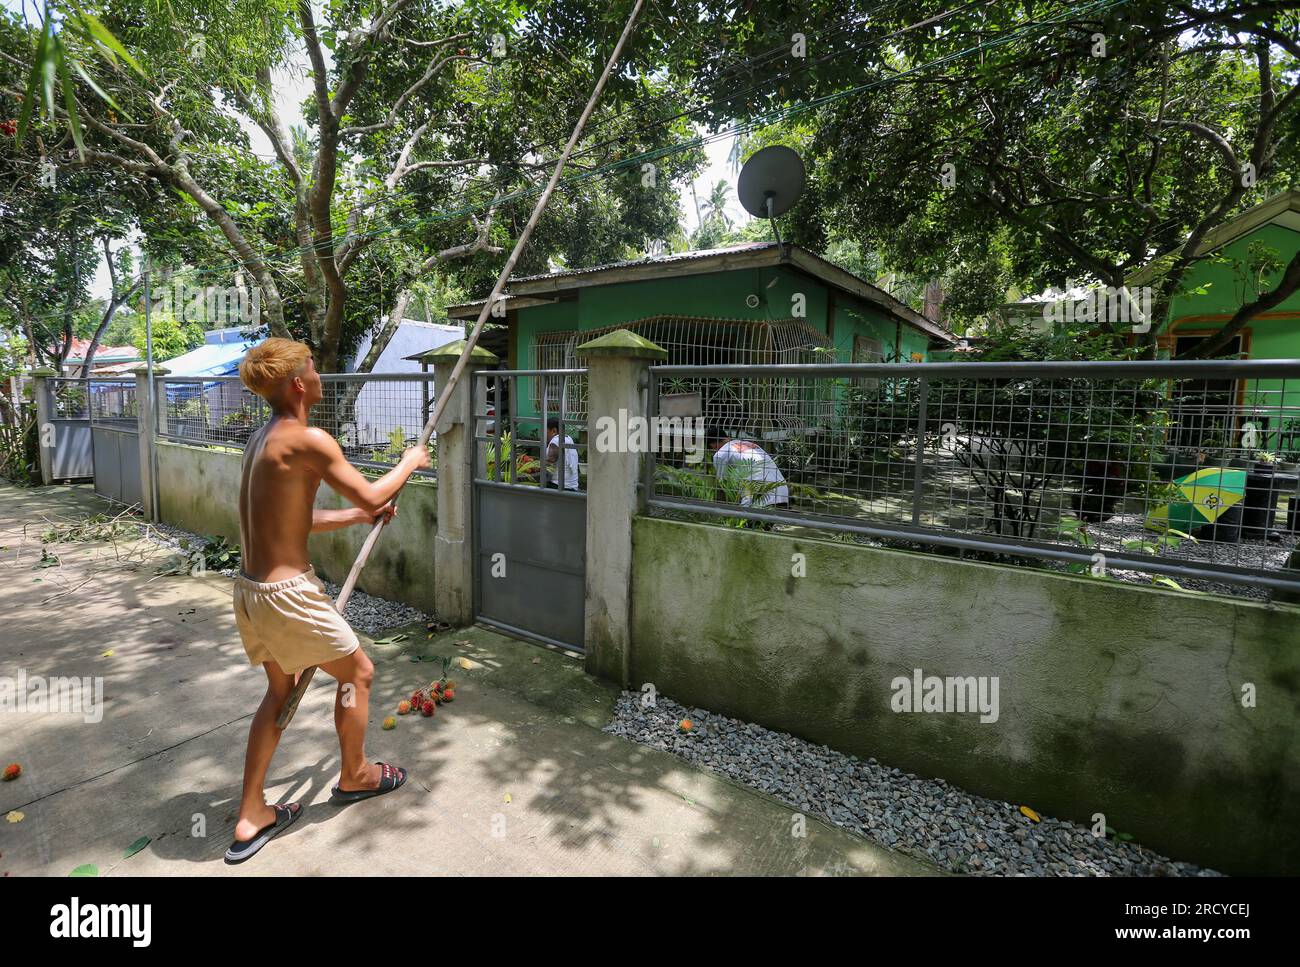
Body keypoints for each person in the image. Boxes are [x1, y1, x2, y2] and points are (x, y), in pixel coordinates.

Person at [225, 338, 430, 863]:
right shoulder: (310, 439)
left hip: (251, 590)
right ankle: (356, 774)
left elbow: (294, 521)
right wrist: (410, 462)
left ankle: (252, 813)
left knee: (280, 693)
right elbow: (373, 493)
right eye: (313, 368)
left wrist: (357, 519)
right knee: (357, 673)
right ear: (298, 383)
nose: (318, 375)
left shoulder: (263, 440)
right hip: (287, 596)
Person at [709, 425, 789, 529]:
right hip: (782, 494)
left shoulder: (721, 454)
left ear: (712, 445)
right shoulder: (749, 444)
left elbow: (723, 486)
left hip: (760, 501)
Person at [544, 416, 580, 491]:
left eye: (545, 431)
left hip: (559, 486)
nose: (544, 435)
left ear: (553, 431)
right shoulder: (568, 438)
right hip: (572, 486)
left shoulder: (556, 441)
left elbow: (549, 465)